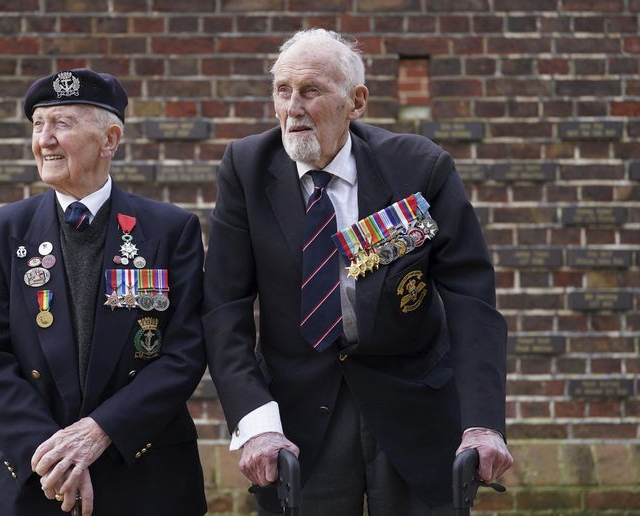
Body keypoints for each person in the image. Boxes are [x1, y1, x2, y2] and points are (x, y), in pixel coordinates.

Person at [203, 29, 513, 515]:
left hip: (415, 405)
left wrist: (483, 422)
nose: (293, 108)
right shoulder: (245, 168)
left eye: (310, 91)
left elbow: (472, 301)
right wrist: (257, 422)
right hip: (298, 422)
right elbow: (224, 308)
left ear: (357, 101)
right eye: (283, 91)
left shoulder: (419, 167)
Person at [0, 68, 207, 516]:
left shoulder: (170, 230)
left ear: (109, 140)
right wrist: (55, 456)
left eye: (62, 124)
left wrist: (100, 431)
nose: (45, 140)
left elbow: (186, 351)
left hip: (145, 474)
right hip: (36, 479)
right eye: (38, 126)